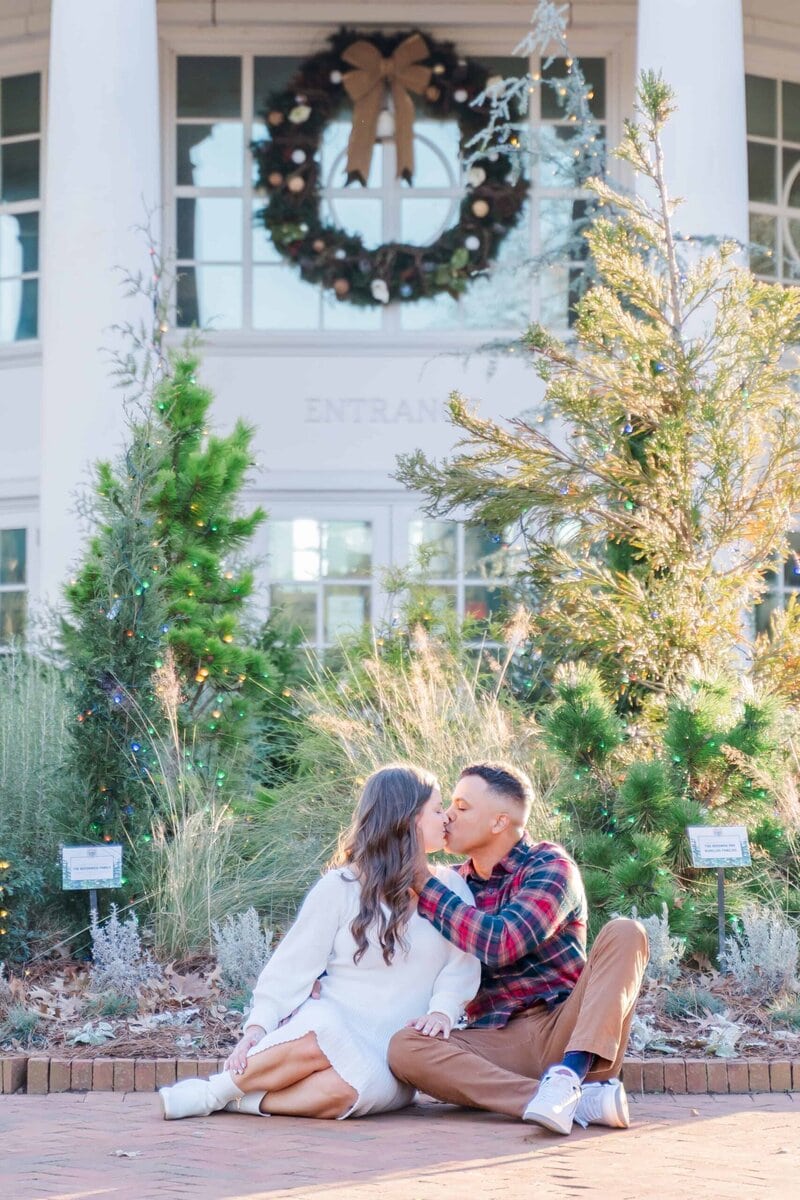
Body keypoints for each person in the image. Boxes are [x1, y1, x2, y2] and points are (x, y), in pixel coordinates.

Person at [159, 763, 480, 1121]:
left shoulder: (451, 888)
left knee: (346, 1093)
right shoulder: (341, 886)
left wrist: (443, 1010)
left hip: (394, 1048)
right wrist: (258, 1026)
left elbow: (461, 965)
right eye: (437, 810)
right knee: (321, 1032)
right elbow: (292, 967)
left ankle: (235, 1099)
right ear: (407, 819)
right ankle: (210, 1093)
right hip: (334, 1018)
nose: (446, 819)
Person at [387, 761, 649, 1136]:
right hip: (495, 1042)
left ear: (498, 822)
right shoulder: (452, 884)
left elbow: (503, 942)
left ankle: (569, 1075)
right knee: (405, 1048)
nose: (447, 816)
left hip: (567, 1030)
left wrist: (424, 884)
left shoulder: (549, 865)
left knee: (626, 932)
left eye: (461, 807)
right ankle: (568, 1099)